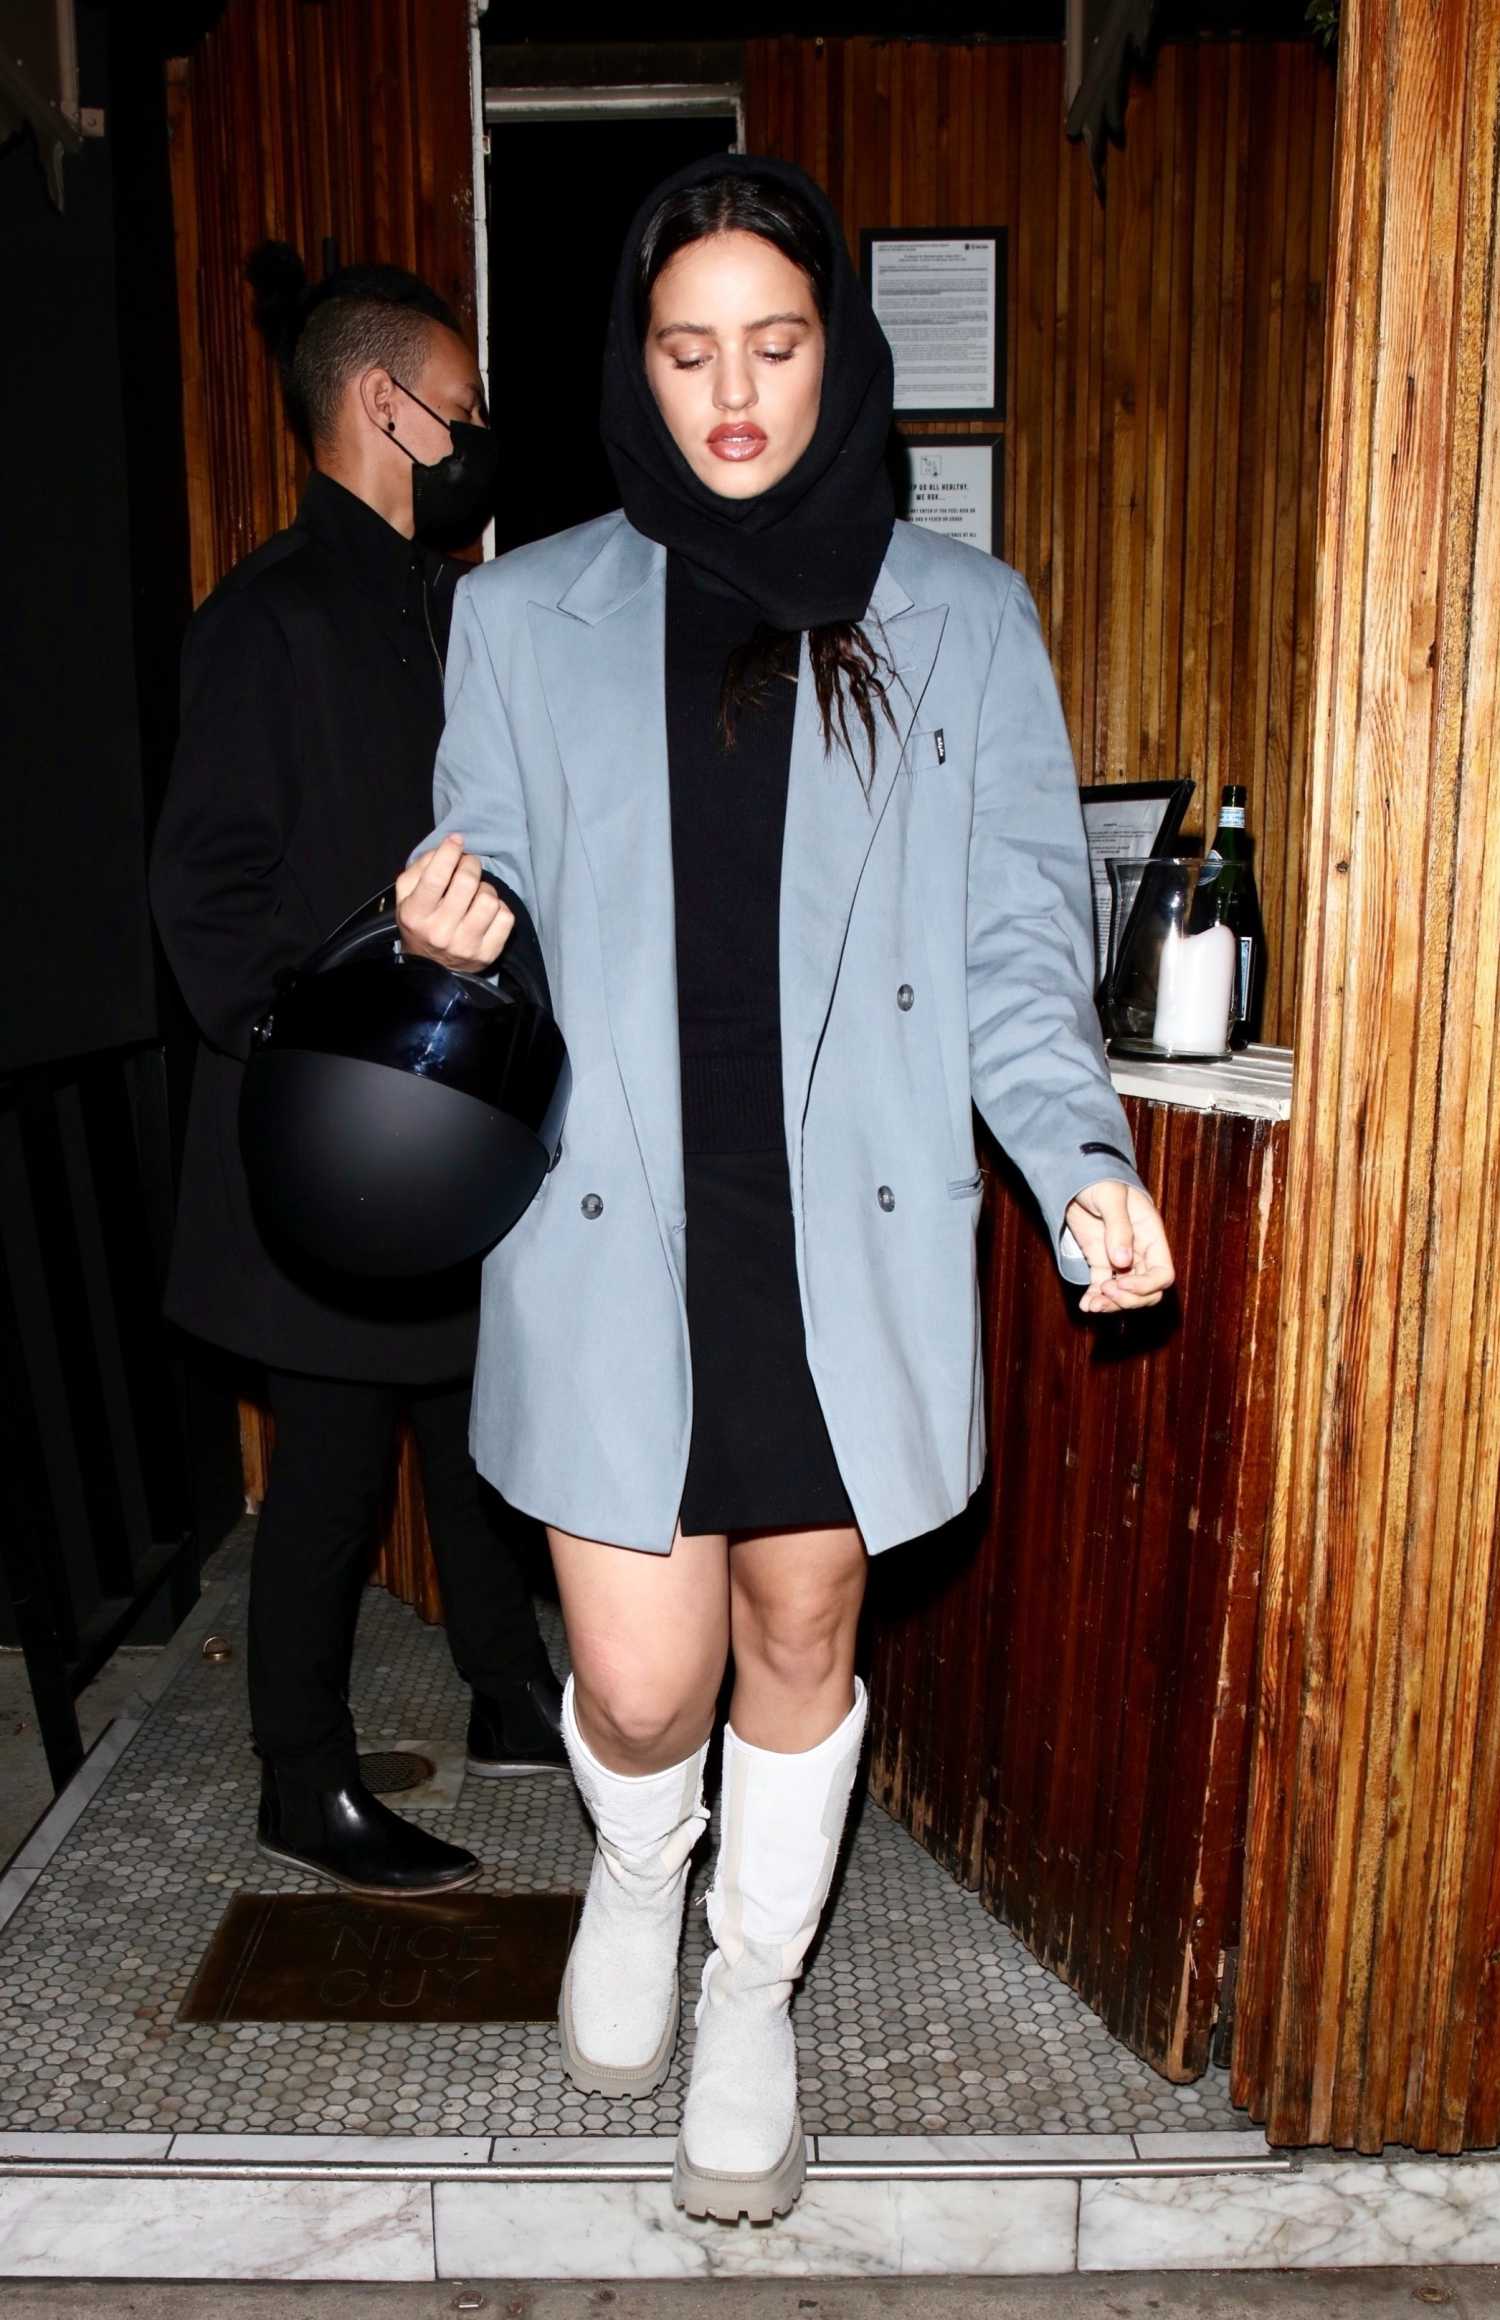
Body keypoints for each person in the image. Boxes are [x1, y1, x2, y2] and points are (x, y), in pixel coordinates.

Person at [396, 155, 1176, 2218]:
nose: (732, 391)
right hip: (612, 1221)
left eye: (774, 342)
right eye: (686, 349)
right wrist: (454, 929)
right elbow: (484, 874)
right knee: (645, 1680)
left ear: (838, 355)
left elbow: (1018, 953)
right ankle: (641, 1863)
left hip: (847, 1230)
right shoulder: (518, 611)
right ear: (635, 371)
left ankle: (756, 1986)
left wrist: (1079, 1163)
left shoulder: (965, 621)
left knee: (801, 1630)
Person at [150, 246, 566, 1903]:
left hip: (436, 1131)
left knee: (473, 1414)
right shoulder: (264, 620)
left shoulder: (450, 611)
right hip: (323, 1146)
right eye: (459, 404)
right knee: (325, 1475)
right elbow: (202, 896)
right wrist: (342, 1031)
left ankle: (512, 1692)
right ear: (387, 406)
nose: (479, 431)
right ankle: (298, 1784)